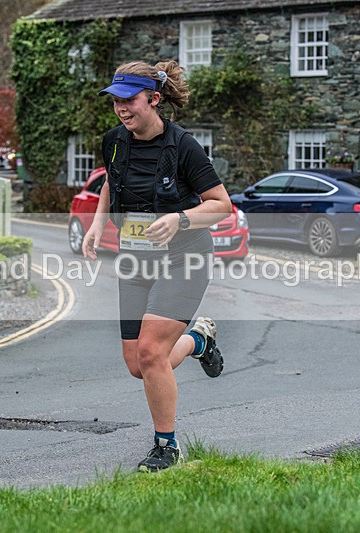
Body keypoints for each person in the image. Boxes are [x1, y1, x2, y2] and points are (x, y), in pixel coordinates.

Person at [82, 60, 232, 472]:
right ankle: (199, 340)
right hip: (136, 257)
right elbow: (113, 180)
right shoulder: (114, 141)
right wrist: (97, 224)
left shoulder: (184, 146)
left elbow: (221, 205)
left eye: (128, 100)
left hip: (185, 256)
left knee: (151, 352)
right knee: (138, 365)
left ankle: (166, 446)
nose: (120, 109)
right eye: (115, 101)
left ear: (154, 98)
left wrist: (180, 218)